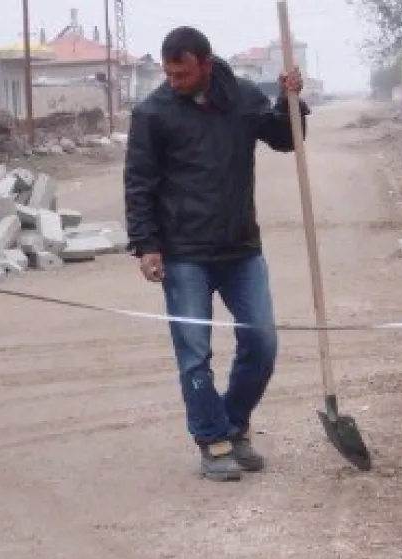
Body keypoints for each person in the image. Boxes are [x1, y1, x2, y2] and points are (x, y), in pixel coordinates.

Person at [123, 26, 309, 482]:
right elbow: (139, 182)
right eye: (169, 73)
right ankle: (212, 439)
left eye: (183, 73)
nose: (174, 81)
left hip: (240, 247)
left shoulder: (242, 99)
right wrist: (146, 244)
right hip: (184, 252)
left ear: (205, 64)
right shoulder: (153, 113)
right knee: (194, 352)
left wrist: (292, 103)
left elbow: (287, 139)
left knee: (262, 341)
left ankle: (235, 423)